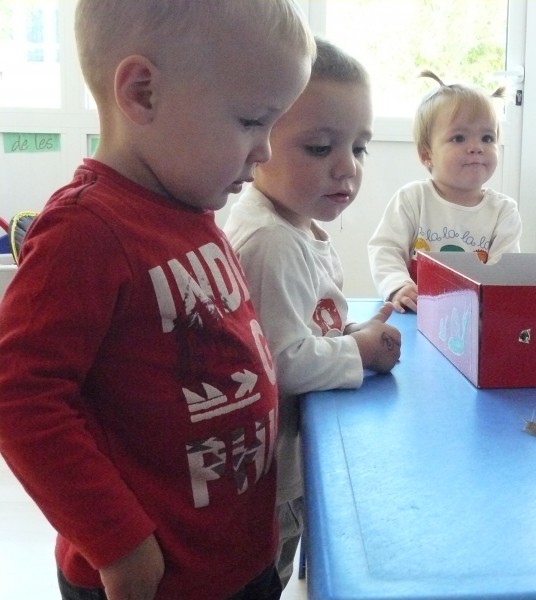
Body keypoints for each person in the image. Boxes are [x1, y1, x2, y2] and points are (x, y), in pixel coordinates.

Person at [0, 2, 314, 599]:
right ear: (143, 93)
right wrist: (120, 544)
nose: (265, 152)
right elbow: (18, 395)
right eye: (252, 121)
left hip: (234, 558)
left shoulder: (189, 208)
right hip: (155, 579)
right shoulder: (86, 230)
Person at [224, 37, 402, 588]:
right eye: (321, 148)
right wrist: (359, 351)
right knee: (266, 575)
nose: (347, 167)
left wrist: (349, 331)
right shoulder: (271, 242)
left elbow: (303, 321)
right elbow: (280, 361)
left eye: (359, 148)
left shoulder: (296, 225)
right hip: (266, 477)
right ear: (258, 144)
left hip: (291, 456)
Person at [368, 70, 523, 313]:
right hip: (416, 312)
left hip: (474, 316)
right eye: (459, 138)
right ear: (426, 154)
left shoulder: (504, 211)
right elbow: (385, 248)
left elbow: (505, 271)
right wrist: (398, 286)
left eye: (487, 138)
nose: (476, 147)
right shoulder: (413, 199)